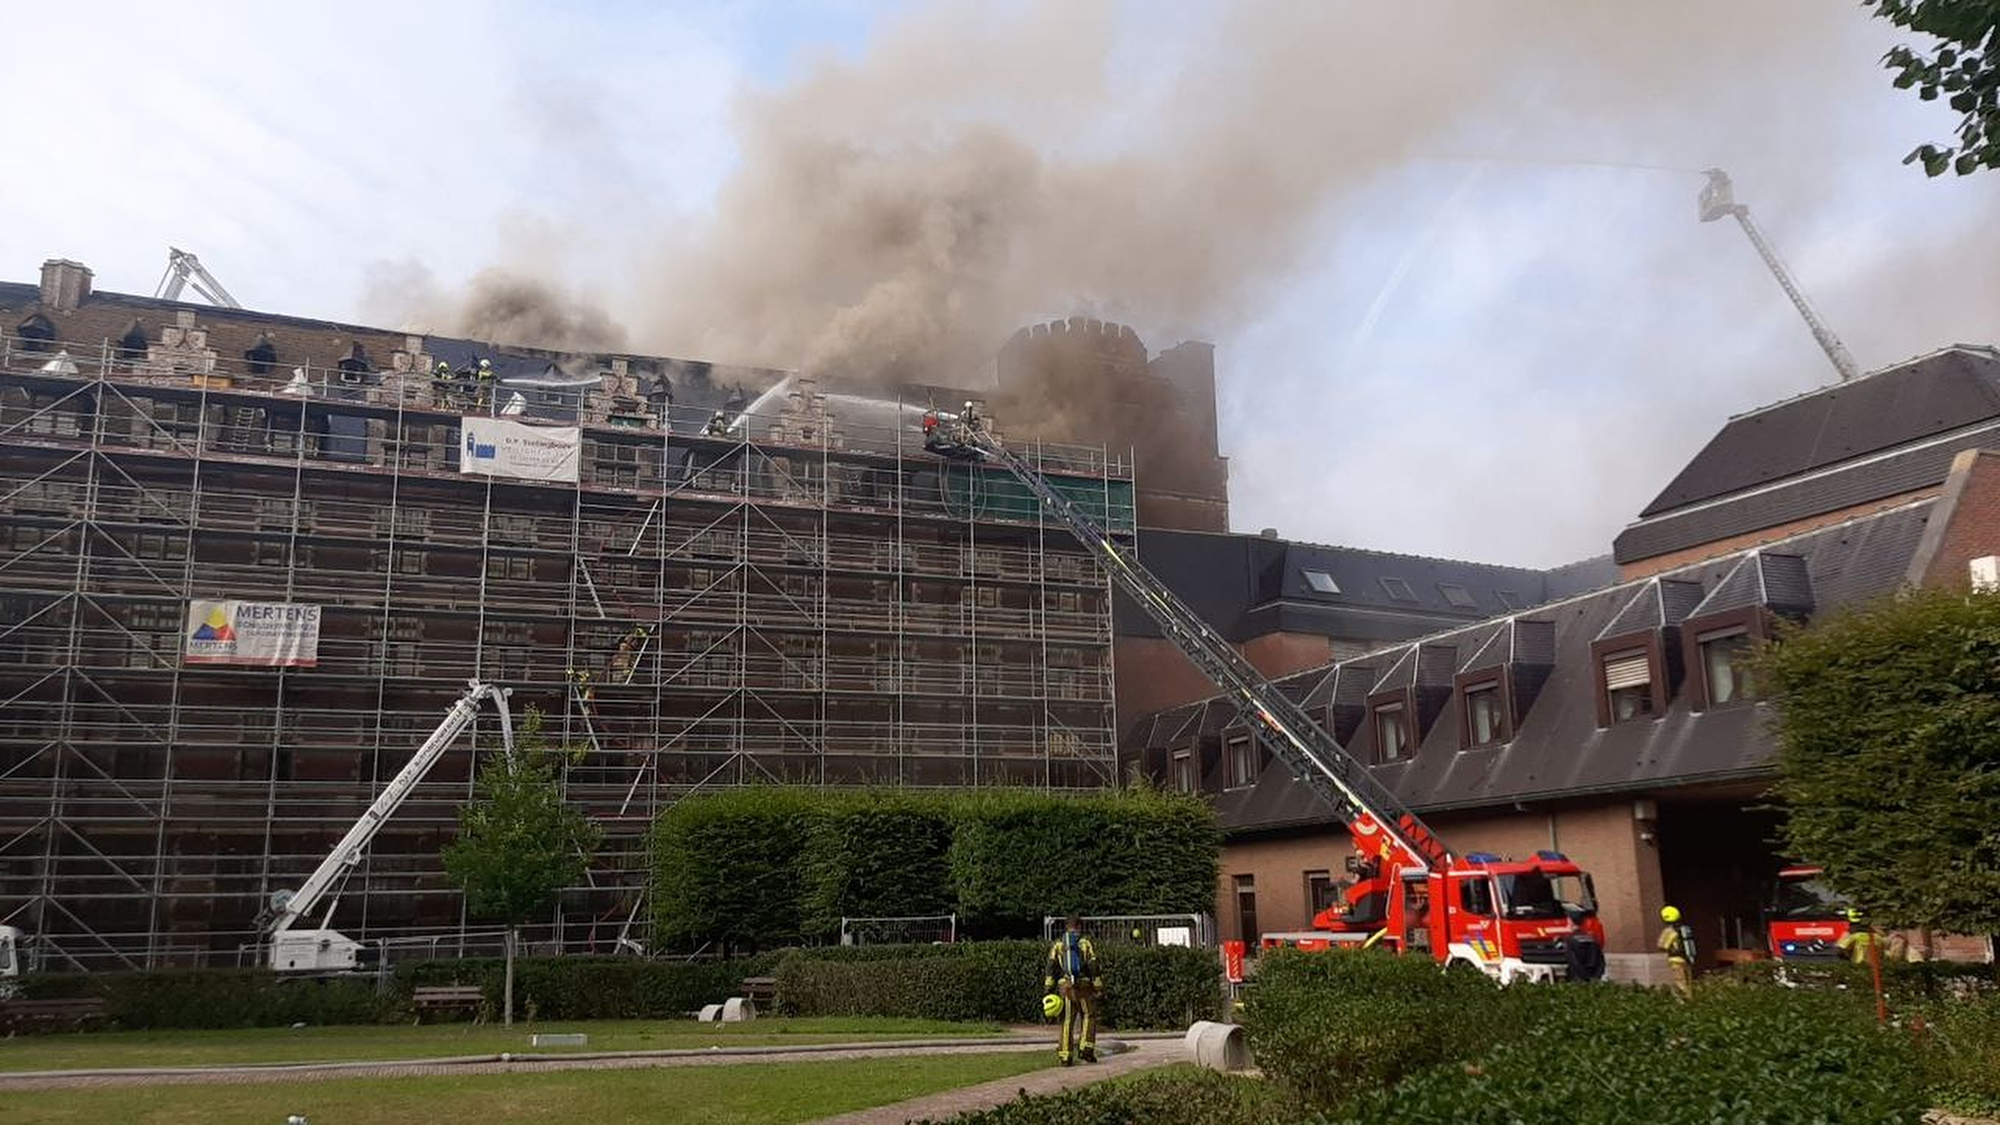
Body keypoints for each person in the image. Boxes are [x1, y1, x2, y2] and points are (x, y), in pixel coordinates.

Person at [1043, 915, 1102, 1066]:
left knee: (1067, 1020)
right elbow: (1093, 965)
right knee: (1089, 1015)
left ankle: (1065, 1056)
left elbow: (1051, 967)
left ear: (1066, 927)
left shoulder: (1058, 944)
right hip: (1083, 987)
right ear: (1080, 926)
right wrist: (1097, 985)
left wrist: (1048, 988)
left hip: (1066, 987)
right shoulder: (1085, 943)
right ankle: (1086, 1049)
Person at [1658, 904, 1696, 998]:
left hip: (1675, 960)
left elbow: (1662, 946)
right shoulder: (1685, 929)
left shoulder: (1669, 931)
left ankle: (1683, 1002)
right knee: (1689, 981)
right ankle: (1691, 999)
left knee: (1679, 981)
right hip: (1688, 958)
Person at [1561, 907, 1606, 983]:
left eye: (1568, 921)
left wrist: (1583, 977)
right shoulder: (1592, 939)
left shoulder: (1570, 941)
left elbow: (1574, 962)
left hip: (1578, 980)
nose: (1567, 923)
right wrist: (1595, 976)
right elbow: (1601, 961)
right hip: (1594, 978)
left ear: (1572, 922)